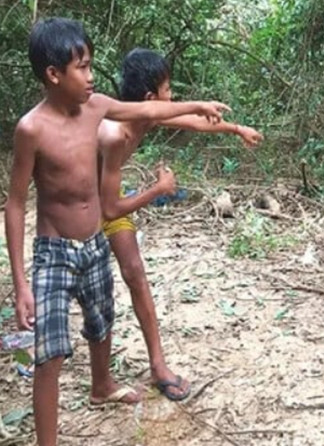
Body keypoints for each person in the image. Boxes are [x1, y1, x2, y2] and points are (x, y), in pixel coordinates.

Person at [6, 17, 229, 446]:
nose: (92, 76)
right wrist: (20, 282)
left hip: (94, 243)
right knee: (50, 353)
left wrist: (198, 104)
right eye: (83, 67)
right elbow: (15, 203)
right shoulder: (31, 129)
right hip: (54, 250)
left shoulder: (97, 106)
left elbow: (148, 109)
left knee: (100, 322)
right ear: (54, 75)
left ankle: (101, 386)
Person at [97, 47, 263, 401]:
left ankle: (159, 366)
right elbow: (109, 208)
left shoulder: (145, 116)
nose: (173, 96)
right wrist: (158, 190)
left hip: (106, 202)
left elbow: (190, 120)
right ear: (149, 97)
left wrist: (236, 129)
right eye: (168, 89)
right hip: (82, 212)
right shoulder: (114, 134)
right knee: (84, 286)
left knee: (135, 273)